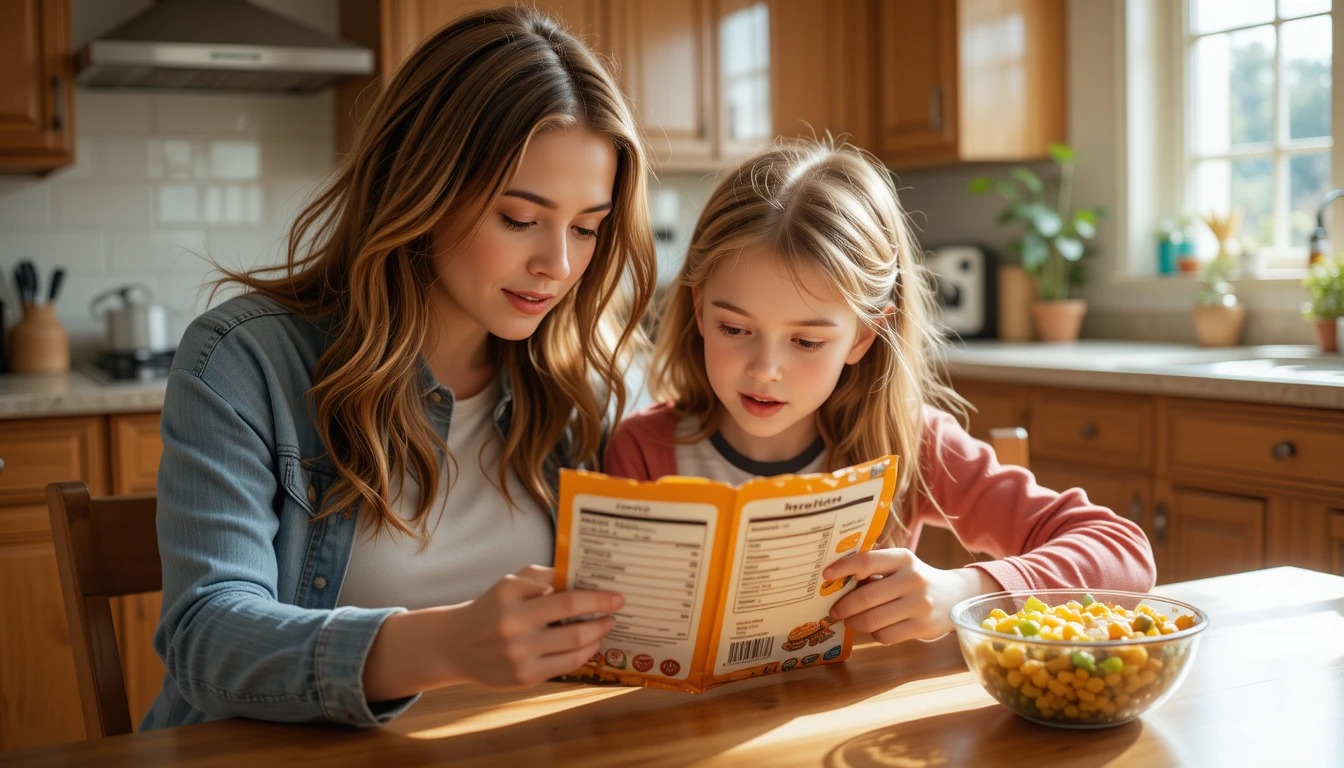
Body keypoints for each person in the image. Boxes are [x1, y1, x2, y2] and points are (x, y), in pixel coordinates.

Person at [145, 6, 657, 729]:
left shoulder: (589, 383)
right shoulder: (247, 362)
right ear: (421, 185)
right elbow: (207, 640)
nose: (559, 265)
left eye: (587, 228)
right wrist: (443, 644)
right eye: (518, 218)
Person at [603, 139, 1155, 647]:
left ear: (863, 335)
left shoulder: (910, 442)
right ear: (699, 310)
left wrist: (962, 591)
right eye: (734, 329)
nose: (765, 369)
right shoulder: (644, 453)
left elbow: (1124, 553)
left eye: (807, 340)